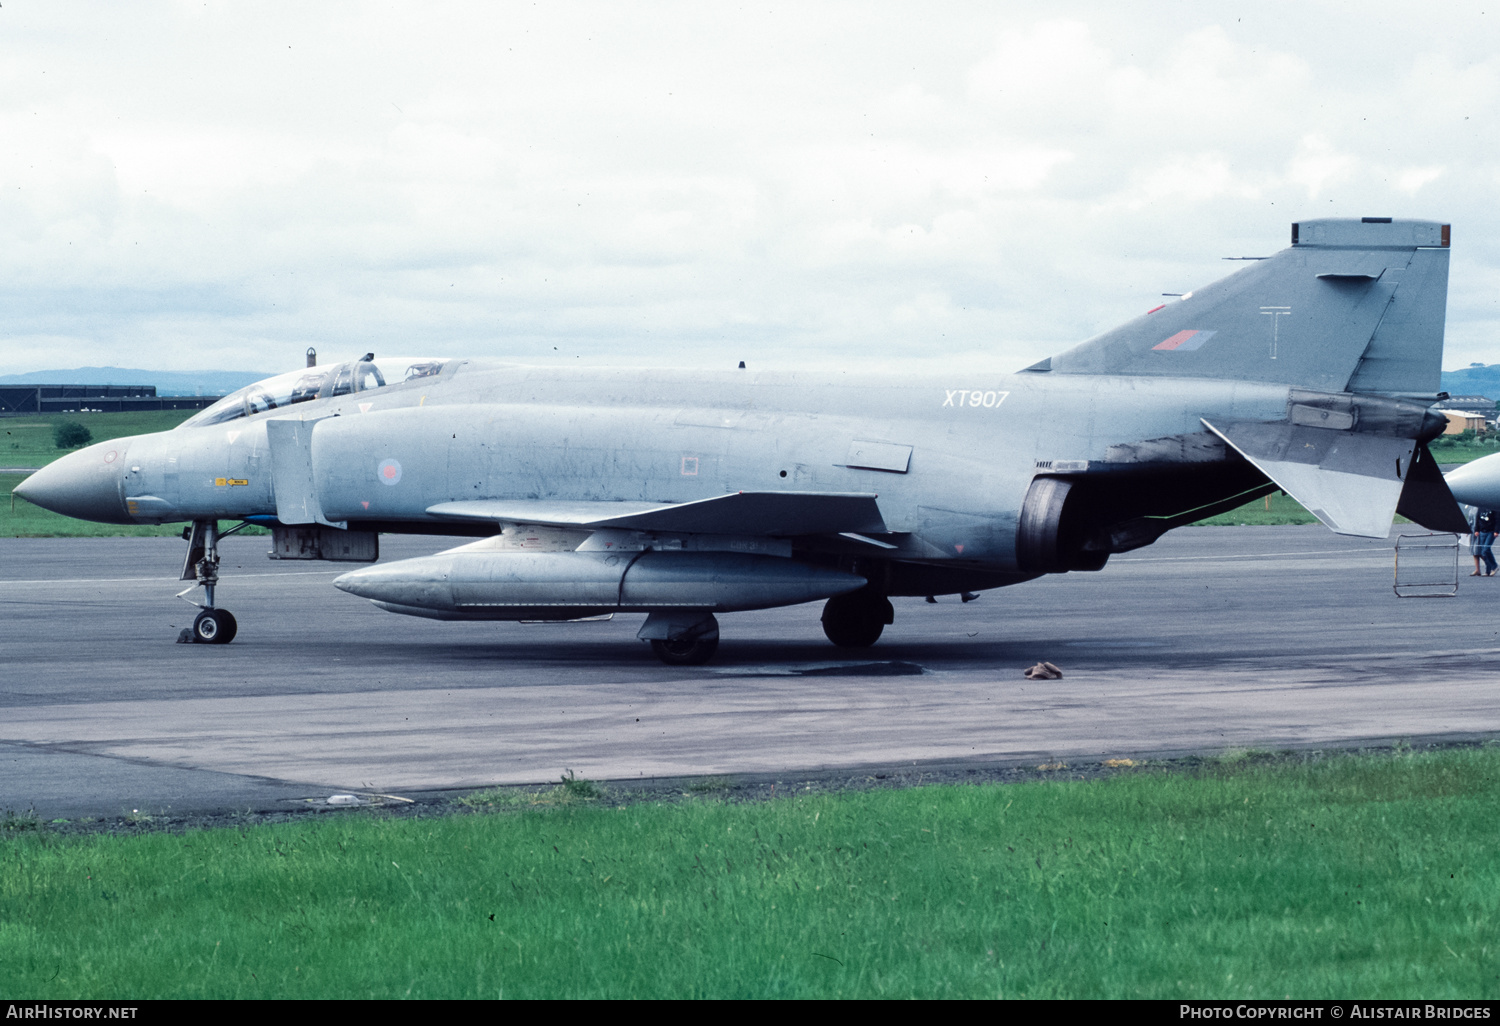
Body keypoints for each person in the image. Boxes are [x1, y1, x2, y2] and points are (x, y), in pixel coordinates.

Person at [1471, 507, 1498, 576]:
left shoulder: (1493, 508)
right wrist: (1477, 530)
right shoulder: (1480, 508)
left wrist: (1496, 531)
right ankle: (1488, 571)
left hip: (1491, 532)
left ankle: (1494, 566)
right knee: (1483, 552)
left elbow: (1498, 520)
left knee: (1486, 549)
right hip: (1482, 531)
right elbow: (1477, 519)